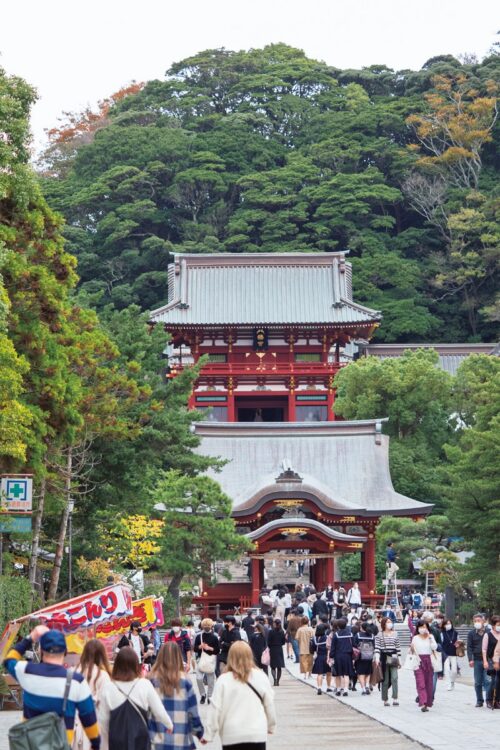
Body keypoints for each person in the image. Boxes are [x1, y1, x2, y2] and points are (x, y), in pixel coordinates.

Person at [4, 625, 101, 750]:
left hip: (30, 744)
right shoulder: (77, 681)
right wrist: (95, 745)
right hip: (60, 745)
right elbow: (89, 719)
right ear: (65, 651)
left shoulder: (26, 671)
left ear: (42, 651)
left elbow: (8, 660)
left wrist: (31, 637)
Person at [205, 641, 276, 750]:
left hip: (231, 734)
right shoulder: (261, 677)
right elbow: (269, 704)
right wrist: (271, 726)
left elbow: (215, 709)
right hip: (256, 733)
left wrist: (208, 734)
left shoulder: (223, 680)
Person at [99, 646, 173, 750]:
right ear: (136, 665)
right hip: (140, 739)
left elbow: (102, 721)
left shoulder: (108, 687)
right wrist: (169, 725)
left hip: (116, 741)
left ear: (116, 665)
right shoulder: (144, 684)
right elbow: (159, 710)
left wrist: (104, 745)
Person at [149, 642, 205, 749]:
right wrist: (199, 733)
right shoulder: (185, 681)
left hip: (157, 740)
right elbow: (192, 712)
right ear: (178, 657)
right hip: (181, 740)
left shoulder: (151, 680)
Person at [73, 639, 111, 750]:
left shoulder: (73, 672)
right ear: (101, 655)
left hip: (75, 725)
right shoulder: (103, 676)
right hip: (96, 725)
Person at [410, 619, 438, 712]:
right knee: (420, 683)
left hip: (429, 661)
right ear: (418, 628)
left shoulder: (431, 636)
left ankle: (427, 704)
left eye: (425, 627)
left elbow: (434, 647)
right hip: (418, 661)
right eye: (421, 627)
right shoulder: (415, 638)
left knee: (428, 683)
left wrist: (430, 638)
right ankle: (422, 701)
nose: (423, 629)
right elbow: (412, 650)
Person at [374, 616, 401, 706]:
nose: (389, 623)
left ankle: (395, 698)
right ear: (383, 624)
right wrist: (377, 659)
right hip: (383, 657)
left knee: (394, 678)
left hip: (393, 657)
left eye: (390, 622)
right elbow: (377, 648)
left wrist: (399, 660)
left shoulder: (395, 634)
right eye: (387, 622)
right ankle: (385, 699)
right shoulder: (379, 635)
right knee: (385, 680)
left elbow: (398, 647)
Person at [194, 617, 220, 704]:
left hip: (210, 660)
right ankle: (202, 694)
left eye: (208, 625)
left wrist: (209, 648)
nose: (206, 627)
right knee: (199, 678)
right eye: (204, 625)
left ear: (211, 626)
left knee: (210, 681)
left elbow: (217, 650)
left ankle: (209, 696)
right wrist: (199, 647)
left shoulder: (215, 637)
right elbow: (194, 649)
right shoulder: (199, 636)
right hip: (200, 659)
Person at [329, 618, 353, 697]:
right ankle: (345, 689)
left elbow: (333, 647)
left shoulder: (336, 635)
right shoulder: (350, 634)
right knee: (346, 674)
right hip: (348, 656)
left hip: (338, 656)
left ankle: (339, 689)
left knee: (338, 674)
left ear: (338, 626)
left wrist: (331, 656)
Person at [353, 622, 376, 697]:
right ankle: (367, 687)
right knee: (368, 673)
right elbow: (374, 646)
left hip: (360, 657)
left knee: (361, 673)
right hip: (369, 657)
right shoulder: (372, 636)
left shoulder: (358, 635)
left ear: (361, 628)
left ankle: (363, 689)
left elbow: (354, 645)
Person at [482, 614, 500, 708]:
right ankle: (489, 700)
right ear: (493, 625)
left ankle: (497, 700)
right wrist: (485, 661)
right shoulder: (487, 635)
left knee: (499, 682)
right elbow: (484, 649)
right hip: (491, 660)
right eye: (498, 624)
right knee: (492, 681)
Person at [311, 623, 329, 695]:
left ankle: (319, 687)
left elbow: (312, 649)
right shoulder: (327, 637)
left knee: (320, 673)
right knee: (329, 673)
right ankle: (328, 686)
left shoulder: (314, 639)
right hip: (327, 656)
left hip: (319, 657)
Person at [441, 617, 458, 691]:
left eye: (449, 623)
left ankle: (452, 682)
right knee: (447, 670)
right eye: (446, 624)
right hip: (445, 654)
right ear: (444, 625)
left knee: (454, 671)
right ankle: (448, 684)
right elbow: (441, 643)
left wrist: (458, 644)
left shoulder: (456, 633)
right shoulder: (442, 633)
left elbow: (458, 641)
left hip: (453, 653)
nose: (448, 625)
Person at [267, 618, 286, 686]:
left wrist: (270, 646)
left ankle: (274, 680)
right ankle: (277, 681)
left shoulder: (271, 632)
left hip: (272, 649)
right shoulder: (282, 632)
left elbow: (268, 642)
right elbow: (284, 642)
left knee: (273, 666)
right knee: (279, 667)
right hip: (279, 649)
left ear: (274, 624)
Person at [296, 616, 314, 680]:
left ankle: (305, 674)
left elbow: (297, 638)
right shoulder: (311, 629)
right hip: (310, 648)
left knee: (304, 662)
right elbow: (313, 637)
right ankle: (309, 674)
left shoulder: (300, 629)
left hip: (302, 647)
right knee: (310, 662)